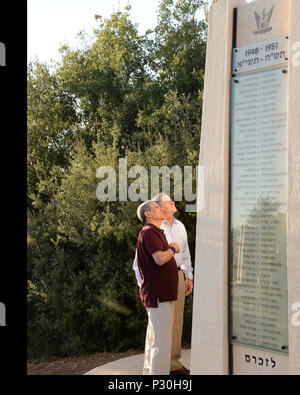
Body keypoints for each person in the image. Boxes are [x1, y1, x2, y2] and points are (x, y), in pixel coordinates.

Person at [134, 193, 193, 375]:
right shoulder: (149, 232)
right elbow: (158, 259)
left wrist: (188, 274)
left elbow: (184, 255)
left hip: (169, 285)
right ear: (149, 213)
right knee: (161, 339)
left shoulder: (162, 230)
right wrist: (173, 248)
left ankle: (157, 371)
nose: (164, 207)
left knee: (162, 336)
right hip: (158, 292)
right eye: (160, 206)